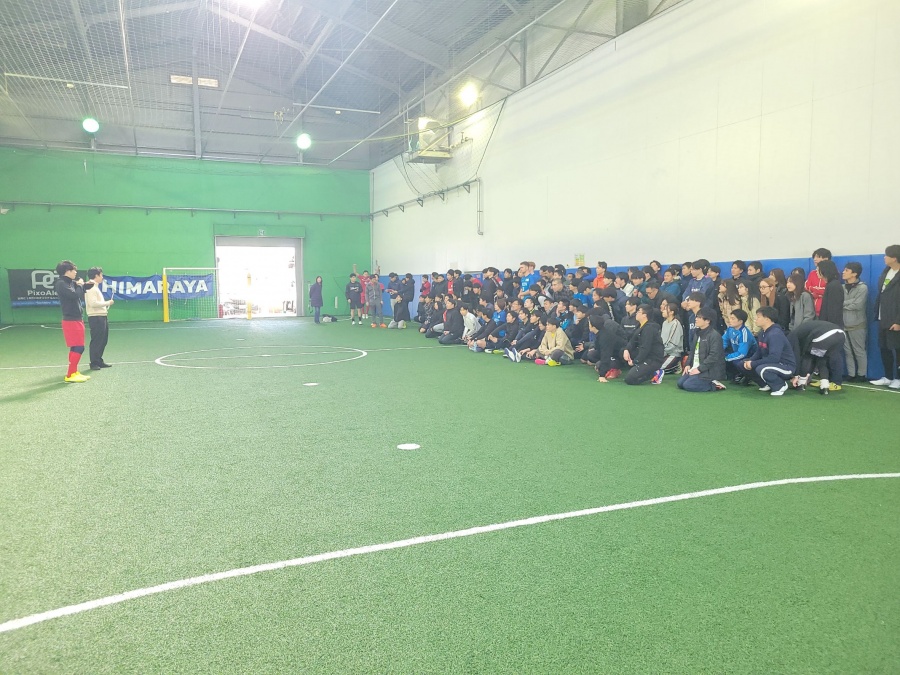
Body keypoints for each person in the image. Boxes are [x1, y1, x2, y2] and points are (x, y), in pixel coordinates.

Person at [740, 306, 796, 396]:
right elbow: (759, 352)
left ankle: (780, 385)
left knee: (761, 369)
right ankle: (765, 384)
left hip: (786, 367)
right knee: (743, 364)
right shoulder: (762, 333)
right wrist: (750, 361)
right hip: (771, 364)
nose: (755, 319)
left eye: (758, 317)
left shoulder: (775, 334)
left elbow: (774, 358)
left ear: (767, 319)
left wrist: (753, 364)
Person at [54, 260, 92, 383]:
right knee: (79, 347)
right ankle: (70, 374)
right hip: (71, 320)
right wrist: (80, 285)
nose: (76, 272)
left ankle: (74, 372)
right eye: (73, 270)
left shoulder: (69, 282)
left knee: (76, 346)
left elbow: (81, 288)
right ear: (67, 271)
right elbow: (75, 295)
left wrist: (87, 284)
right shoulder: (61, 283)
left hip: (76, 319)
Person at [870, 244, 900, 388]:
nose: (884, 258)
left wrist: (898, 321)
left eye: (887, 255)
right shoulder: (886, 271)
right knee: (884, 348)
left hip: (895, 319)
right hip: (883, 317)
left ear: (894, 258)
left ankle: (898, 378)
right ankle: (888, 377)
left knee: (897, 349)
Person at [789, 320, 846, 394]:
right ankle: (825, 385)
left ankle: (801, 384)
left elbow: (799, 356)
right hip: (841, 335)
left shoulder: (792, 337)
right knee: (822, 358)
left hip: (824, 335)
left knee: (809, 356)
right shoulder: (800, 331)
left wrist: (796, 375)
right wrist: (808, 372)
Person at [676, 307, 727, 392]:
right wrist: (688, 364)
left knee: (688, 385)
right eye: (696, 317)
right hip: (696, 367)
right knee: (680, 383)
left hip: (710, 371)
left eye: (699, 317)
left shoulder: (714, 335)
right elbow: (692, 351)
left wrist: (699, 369)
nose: (696, 319)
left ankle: (714, 385)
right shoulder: (697, 333)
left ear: (708, 321)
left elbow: (713, 357)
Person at [623, 305, 665, 385]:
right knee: (622, 352)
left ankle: (654, 373)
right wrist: (626, 349)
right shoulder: (640, 325)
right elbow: (632, 341)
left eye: (639, 312)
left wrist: (635, 362)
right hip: (644, 355)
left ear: (644, 315)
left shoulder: (649, 328)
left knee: (630, 379)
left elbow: (645, 348)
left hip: (652, 359)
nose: (636, 313)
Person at [842, 262, 868, 381]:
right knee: (847, 351)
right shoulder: (842, 287)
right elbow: (837, 302)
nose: (843, 272)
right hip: (843, 324)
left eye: (846, 270)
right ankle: (851, 374)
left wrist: (843, 304)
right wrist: (849, 302)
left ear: (854, 273)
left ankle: (861, 374)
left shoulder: (862, 287)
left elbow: (858, 305)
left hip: (857, 325)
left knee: (859, 350)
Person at [85, 266, 114, 370]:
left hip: (101, 316)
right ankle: (94, 363)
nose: (102, 277)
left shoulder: (95, 287)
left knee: (103, 340)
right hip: (96, 317)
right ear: (96, 276)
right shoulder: (91, 287)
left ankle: (98, 360)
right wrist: (107, 303)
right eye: (101, 275)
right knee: (97, 340)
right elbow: (93, 303)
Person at [722, 309, 757, 384]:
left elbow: (742, 354)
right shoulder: (730, 329)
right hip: (737, 353)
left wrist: (726, 358)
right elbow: (724, 340)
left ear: (740, 321)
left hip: (748, 356)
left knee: (735, 361)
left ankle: (747, 376)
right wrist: (720, 351)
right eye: (730, 318)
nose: (730, 320)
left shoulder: (744, 334)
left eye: (733, 318)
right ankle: (733, 375)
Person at [816, 259, 843, 327]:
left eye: (818, 269)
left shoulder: (834, 286)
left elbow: (834, 310)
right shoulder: (830, 284)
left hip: (831, 326)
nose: (816, 271)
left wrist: (830, 327)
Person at [659, 301, 684, 373]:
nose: (663, 311)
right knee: (651, 366)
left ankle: (676, 366)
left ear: (671, 312)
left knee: (659, 368)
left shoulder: (675, 324)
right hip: (664, 352)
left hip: (673, 353)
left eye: (665, 309)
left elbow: (672, 344)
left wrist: (662, 352)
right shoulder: (664, 323)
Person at [806, 248, 832, 316]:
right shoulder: (812, 273)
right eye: (814, 257)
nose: (815, 259)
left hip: (826, 311)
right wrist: (817, 293)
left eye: (818, 257)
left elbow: (828, 291)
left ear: (826, 259)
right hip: (811, 310)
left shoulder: (832, 273)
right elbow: (807, 288)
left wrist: (814, 290)